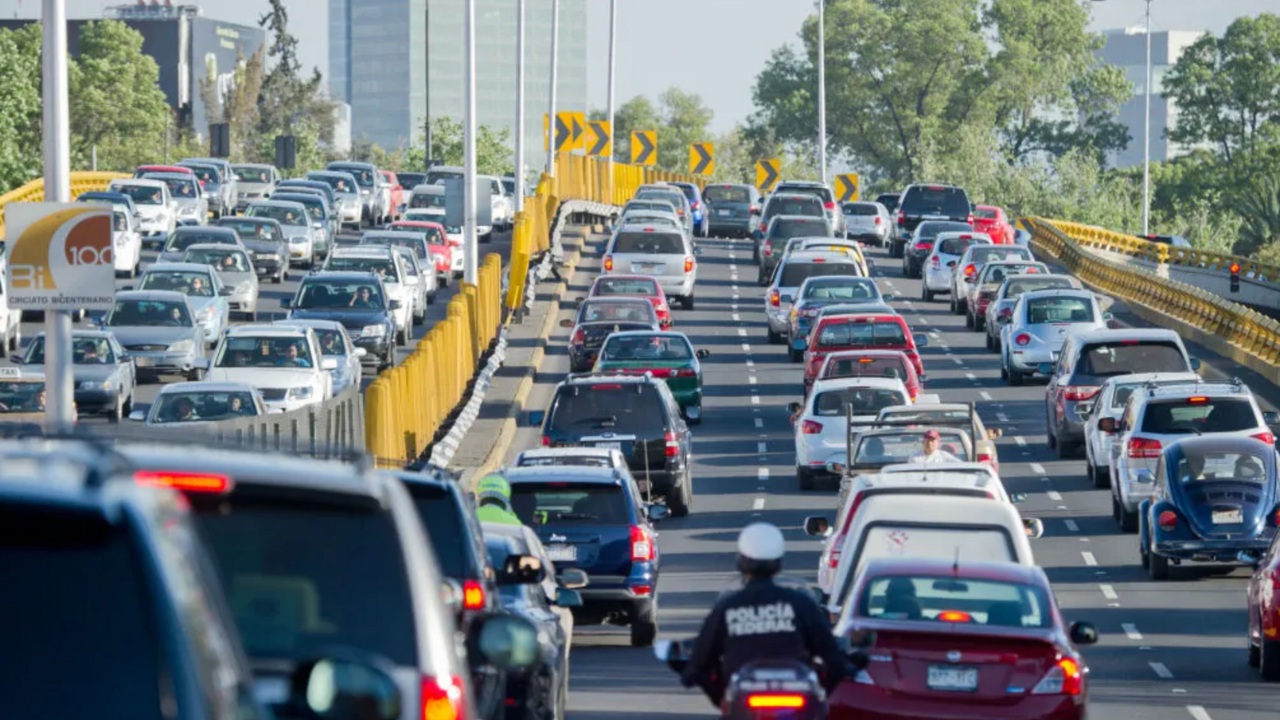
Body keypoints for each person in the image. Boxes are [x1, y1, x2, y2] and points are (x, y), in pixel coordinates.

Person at [681, 523, 857, 707]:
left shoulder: (728, 607)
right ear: (778, 561)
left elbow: (699, 662)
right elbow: (831, 655)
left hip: (748, 704)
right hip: (791, 700)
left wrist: (708, 687)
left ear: (741, 561)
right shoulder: (800, 603)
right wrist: (844, 669)